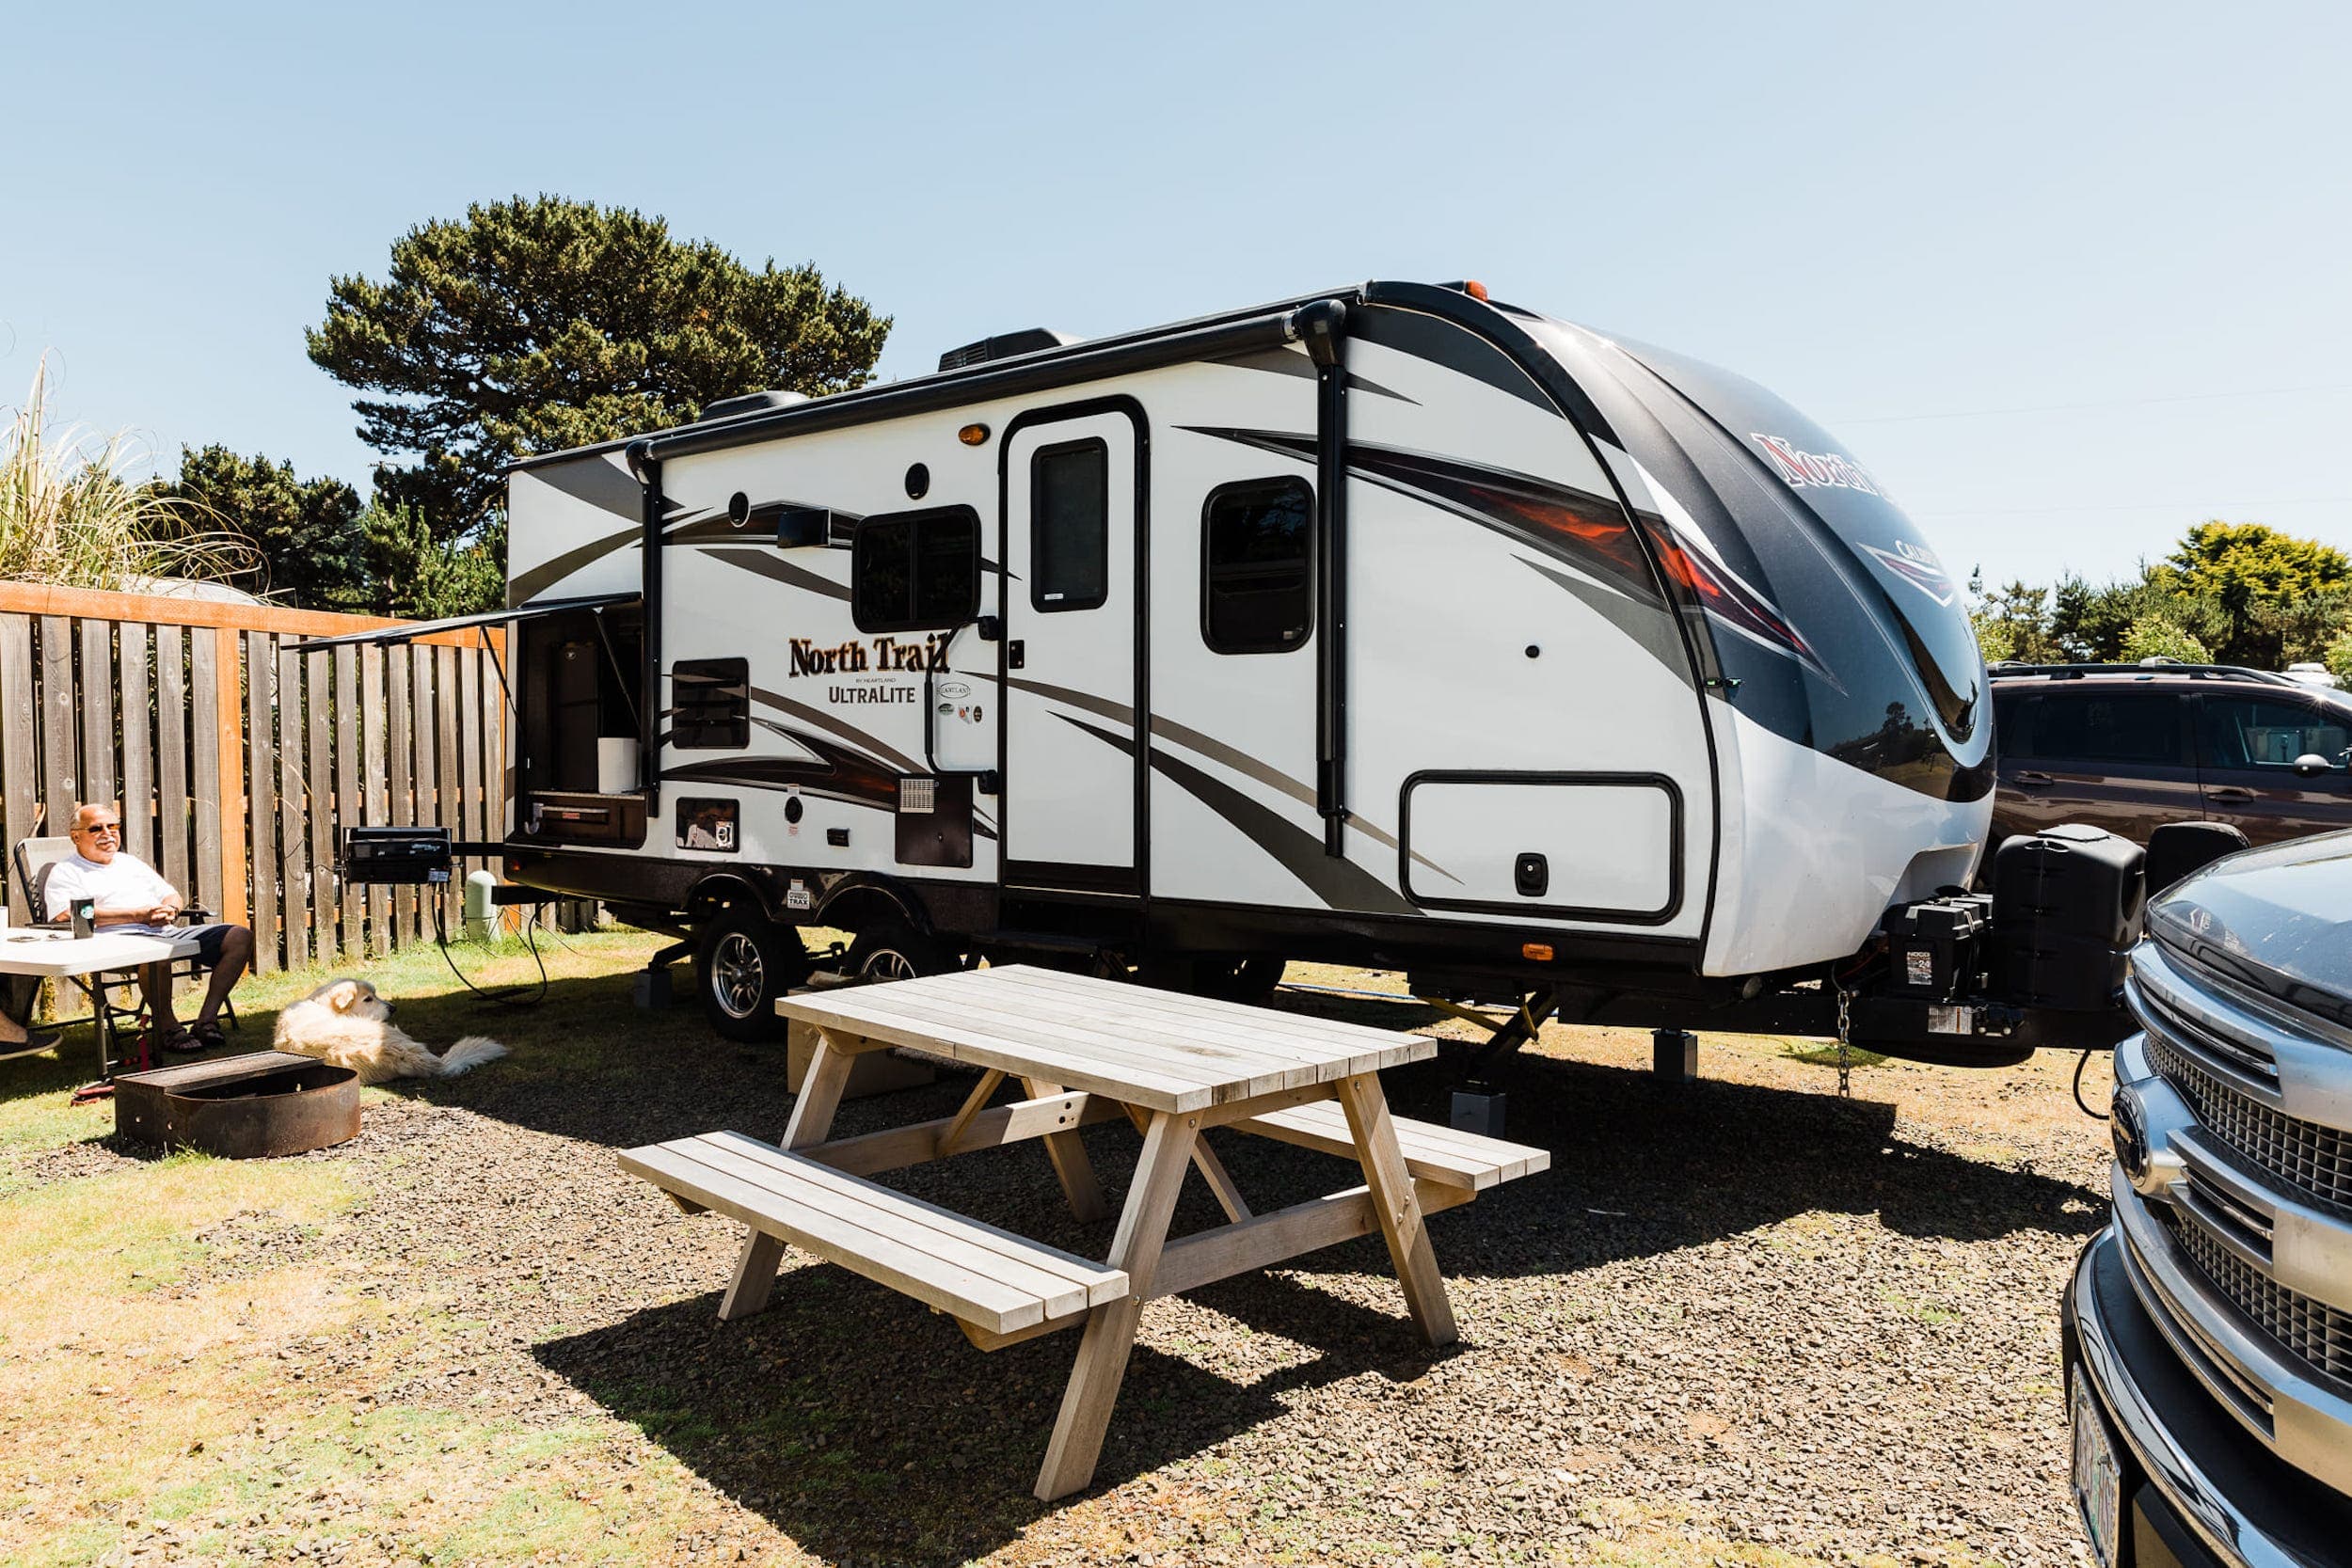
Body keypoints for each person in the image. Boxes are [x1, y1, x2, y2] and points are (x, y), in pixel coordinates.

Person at [42, 802, 254, 1053]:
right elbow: (66, 914)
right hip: (115, 940)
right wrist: (137, 915)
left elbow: (170, 894)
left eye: (113, 826)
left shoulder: (129, 863)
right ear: (76, 836)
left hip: (163, 932)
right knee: (157, 954)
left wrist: (171, 909)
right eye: (96, 829)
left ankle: (206, 1020)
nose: (107, 834)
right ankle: (168, 1028)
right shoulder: (67, 871)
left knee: (239, 936)